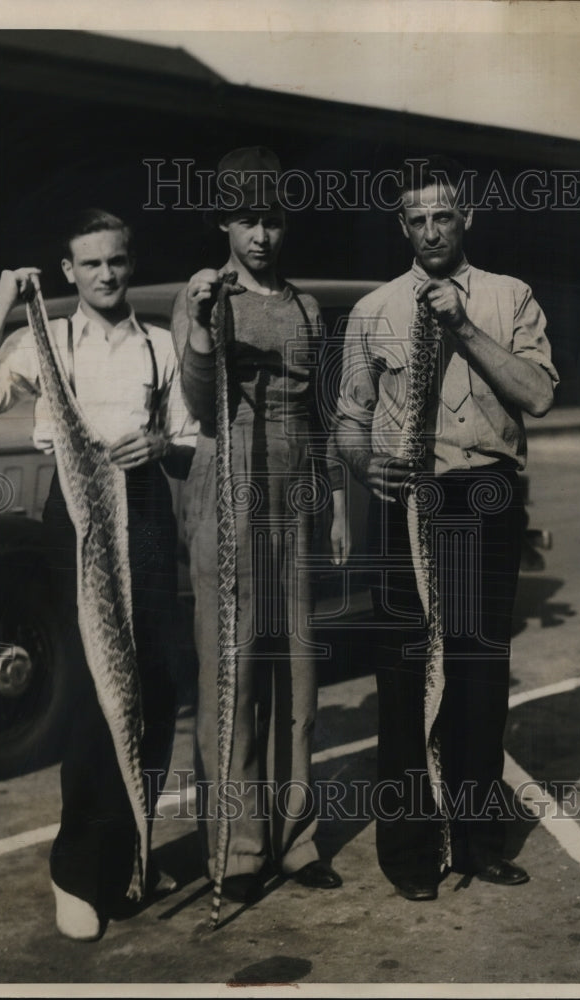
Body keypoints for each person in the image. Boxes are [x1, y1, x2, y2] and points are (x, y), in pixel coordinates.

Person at [0, 208, 192, 940]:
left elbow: (187, 442)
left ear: (131, 261)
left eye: (117, 261)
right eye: (91, 264)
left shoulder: (159, 346)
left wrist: (157, 442)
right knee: (95, 691)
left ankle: (130, 852)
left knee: (153, 685)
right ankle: (78, 871)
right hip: (77, 521)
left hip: (147, 514)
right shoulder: (45, 340)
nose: (108, 275)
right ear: (69, 272)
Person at [332, 155, 558, 901]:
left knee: (479, 673)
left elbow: (539, 395)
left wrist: (463, 327)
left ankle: (478, 841)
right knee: (401, 678)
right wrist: (367, 468)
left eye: (444, 216)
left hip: (484, 496)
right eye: (417, 219)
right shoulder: (373, 311)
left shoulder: (509, 297)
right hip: (405, 502)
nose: (432, 230)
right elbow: (351, 421)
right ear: (403, 226)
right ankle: (409, 853)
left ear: (467, 219)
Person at [171, 146, 348, 905]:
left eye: (272, 220)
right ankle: (239, 847)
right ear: (223, 223)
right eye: (247, 220)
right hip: (229, 482)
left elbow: (321, 414)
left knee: (299, 671)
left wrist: (336, 501)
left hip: (298, 491)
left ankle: (296, 837)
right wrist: (207, 328)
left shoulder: (308, 308)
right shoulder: (203, 298)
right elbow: (198, 388)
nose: (261, 236)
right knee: (233, 668)